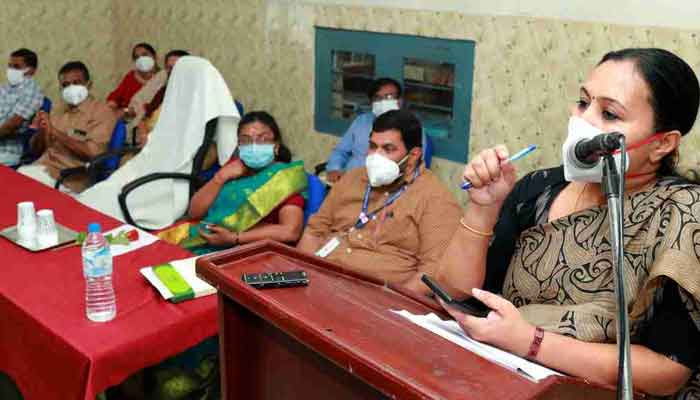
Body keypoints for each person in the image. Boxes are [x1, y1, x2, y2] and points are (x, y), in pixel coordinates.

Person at [436, 48, 700, 397]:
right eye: (583, 102)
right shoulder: (538, 189)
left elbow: (667, 370)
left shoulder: (683, 213)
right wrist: (483, 207)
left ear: (662, 144)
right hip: (505, 380)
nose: (584, 121)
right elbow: (458, 295)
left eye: (609, 113)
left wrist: (531, 342)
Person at [298, 109, 461, 295]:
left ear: (413, 155)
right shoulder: (351, 179)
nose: (376, 156)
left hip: (378, 298)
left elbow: (432, 273)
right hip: (321, 282)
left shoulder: (435, 198)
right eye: (373, 146)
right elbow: (314, 231)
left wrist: (389, 305)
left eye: (388, 149)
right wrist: (302, 279)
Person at [77, 56, 240, 229]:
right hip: (147, 170)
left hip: (167, 184)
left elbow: (222, 152)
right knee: (97, 196)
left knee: (109, 205)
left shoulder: (206, 113)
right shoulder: (173, 106)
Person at [159, 111, 305, 254]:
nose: (254, 146)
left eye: (262, 139)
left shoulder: (285, 178)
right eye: (246, 140)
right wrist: (219, 178)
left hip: (245, 251)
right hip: (202, 237)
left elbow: (290, 231)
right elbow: (194, 212)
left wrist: (235, 238)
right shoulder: (234, 167)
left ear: (276, 146)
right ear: (239, 146)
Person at [18, 61, 117, 193]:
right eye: (65, 85)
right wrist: (41, 130)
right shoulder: (57, 110)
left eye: (76, 83)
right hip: (40, 168)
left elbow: (93, 154)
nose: (71, 88)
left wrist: (55, 132)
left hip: (68, 179)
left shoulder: (102, 112)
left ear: (89, 84)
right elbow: (36, 151)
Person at [325, 77, 402, 183]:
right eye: (377, 98)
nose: (383, 102)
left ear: (400, 101)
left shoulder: (411, 127)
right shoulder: (361, 121)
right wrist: (334, 168)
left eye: (389, 97)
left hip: (384, 185)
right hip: (348, 179)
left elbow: (412, 166)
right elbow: (341, 150)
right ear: (371, 103)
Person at [127, 49, 190, 143]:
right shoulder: (163, 91)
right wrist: (143, 132)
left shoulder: (194, 95)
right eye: (169, 68)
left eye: (176, 67)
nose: (172, 71)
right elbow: (145, 116)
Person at [0, 48, 44, 166]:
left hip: (7, 151)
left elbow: (12, 125)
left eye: (16, 67)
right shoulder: (4, 88)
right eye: (10, 66)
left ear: (31, 70)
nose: (11, 70)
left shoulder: (32, 90)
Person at [106, 43, 159, 112]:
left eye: (145, 55)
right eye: (137, 57)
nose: (141, 59)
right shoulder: (131, 77)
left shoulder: (163, 77)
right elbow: (115, 98)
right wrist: (111, 107)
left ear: (155, 56)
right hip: (126, 114)